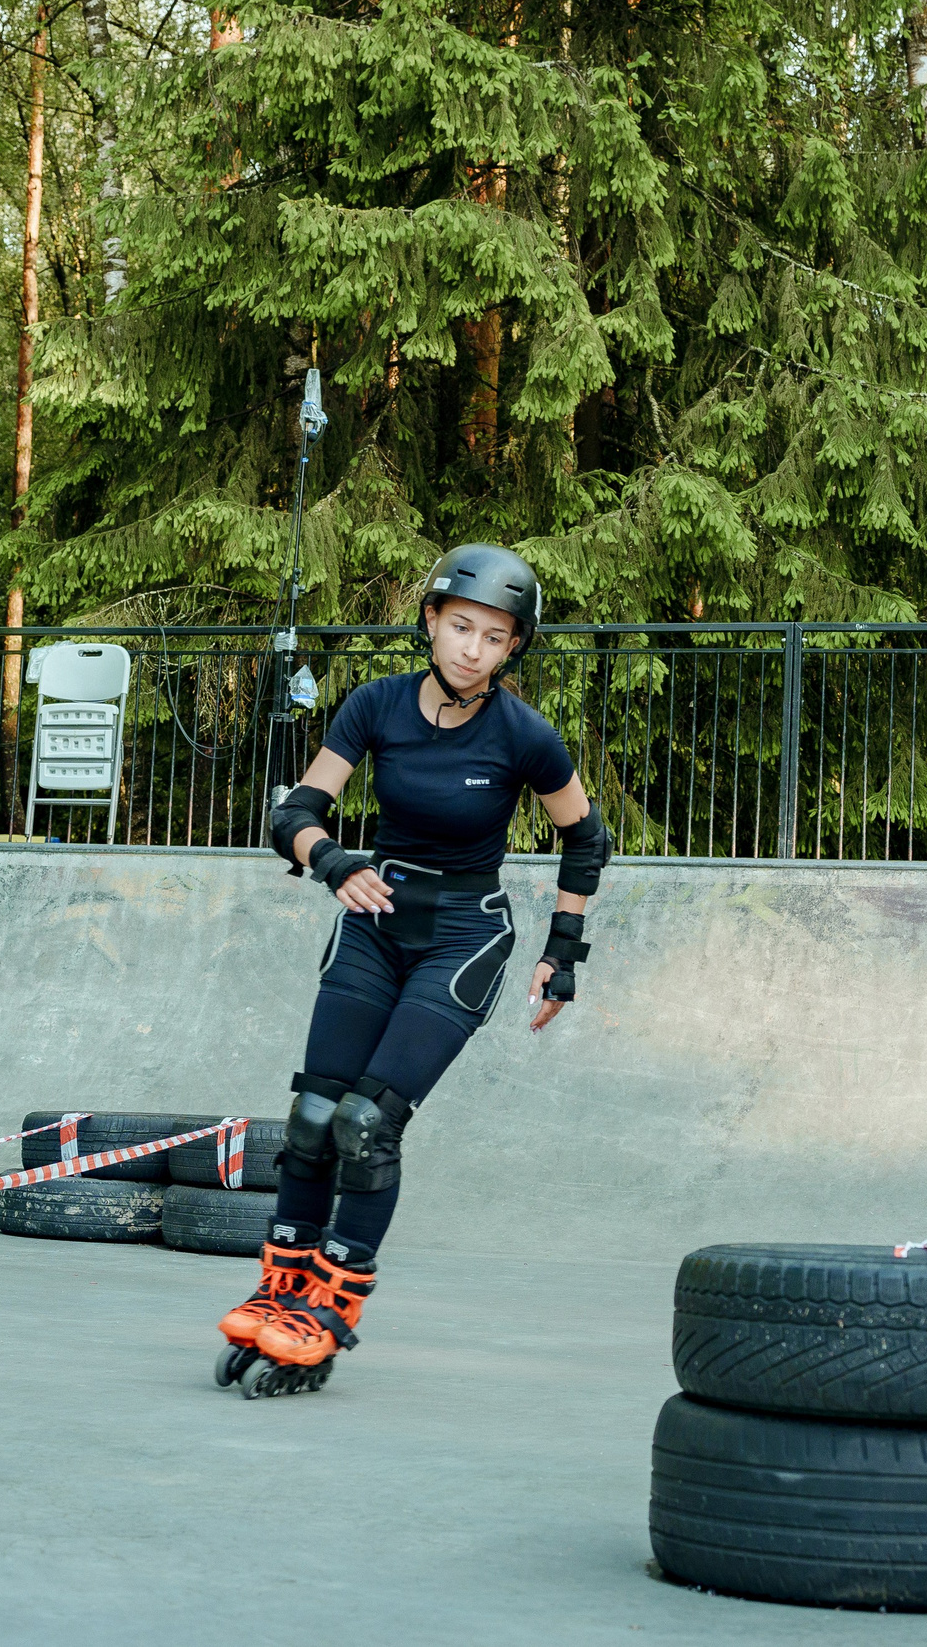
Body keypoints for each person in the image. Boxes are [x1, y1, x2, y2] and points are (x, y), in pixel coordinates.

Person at [213, 544, 612, 1397]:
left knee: (366, 1123)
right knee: (314, 1113)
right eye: (461, 625)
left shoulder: (524, 736)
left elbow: (587, 839)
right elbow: (295, 813)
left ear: (513, 649)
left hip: (464, 937)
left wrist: (562, 953)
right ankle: (280, 1287)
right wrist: (332, 862)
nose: (472, 647)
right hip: (375, 917)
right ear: (431, 621)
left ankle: (331, 1308)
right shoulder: (376, 705)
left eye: (494, 637)